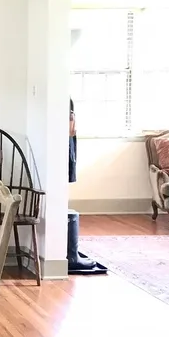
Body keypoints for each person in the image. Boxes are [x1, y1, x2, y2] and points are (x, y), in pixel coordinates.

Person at [67, 98, 98, 272]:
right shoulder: (64, 101)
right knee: (64, 208)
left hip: (63, 147)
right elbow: (71, 129)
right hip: (63, 148)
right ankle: (71, 256)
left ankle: (70, 254)